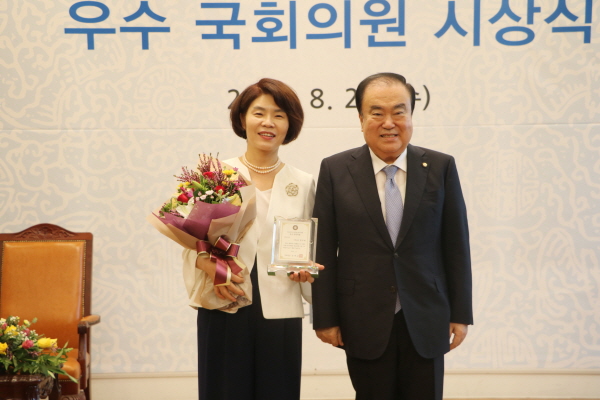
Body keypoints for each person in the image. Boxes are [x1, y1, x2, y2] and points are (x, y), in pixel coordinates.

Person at [311, 72, 473, 400]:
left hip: (427, 314)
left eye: (399, 112)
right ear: (360, 119)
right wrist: (325, 317)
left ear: (412, 116)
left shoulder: (440, 166)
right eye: (377, 113)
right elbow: (323, 249)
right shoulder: (335, 169)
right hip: (362, 318)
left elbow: (456, 245)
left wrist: (460, 312)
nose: (389, 123)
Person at [182, 78, 320, 400]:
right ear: (243, 118)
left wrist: (308, 271)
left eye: (279, 115)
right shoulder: (216, 175)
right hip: (224, 302)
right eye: (259, 113)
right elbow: (190, 242)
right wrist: (212, 268)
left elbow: (312, 246)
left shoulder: (303, 183)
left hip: (281, 307)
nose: (268, 122)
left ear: (290, 125)